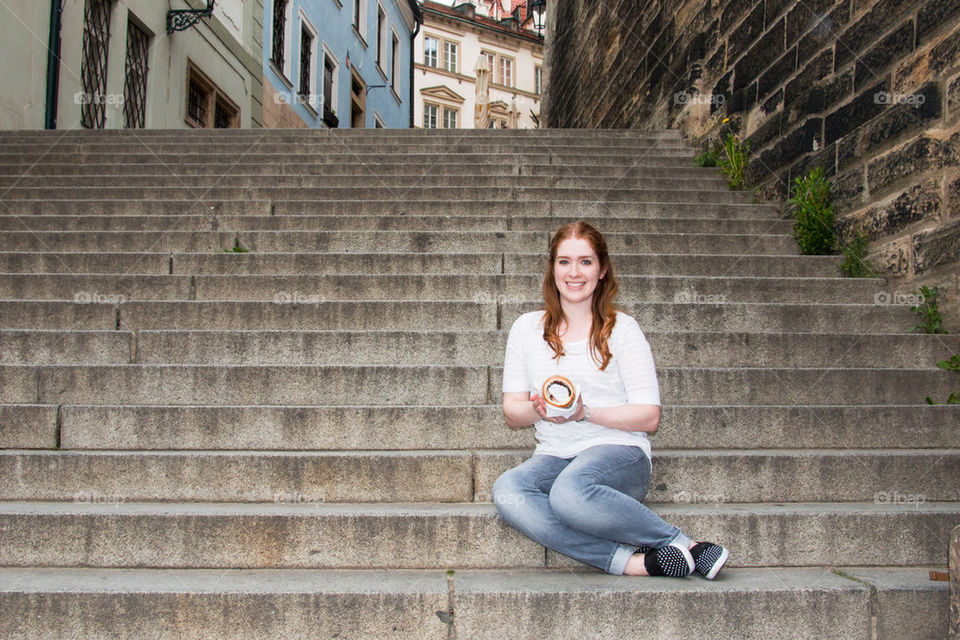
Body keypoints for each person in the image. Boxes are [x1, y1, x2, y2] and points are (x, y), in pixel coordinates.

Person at [493, 220, 729, 579]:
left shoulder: (623, 330)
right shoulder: (526, 329)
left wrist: (584, 413)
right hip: (554, 454)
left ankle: (684, 544)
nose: (575, 272)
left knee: (569, 494)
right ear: (552, 268)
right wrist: (536, 409)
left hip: (619, 452)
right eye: (564, 261)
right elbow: (513, 412)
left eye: (585, 262)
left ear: (602, 270)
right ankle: (632, 562)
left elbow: (649, 417)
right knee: (508, 490)